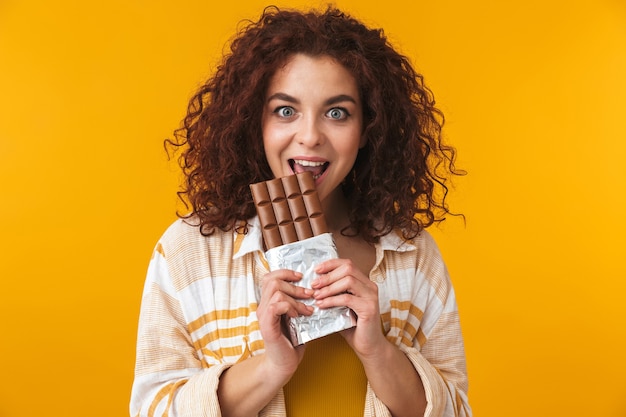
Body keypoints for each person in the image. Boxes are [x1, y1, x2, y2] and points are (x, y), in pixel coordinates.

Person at [130, 5, 471, 417]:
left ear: (367, 130)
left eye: (337, 112)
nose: (309, 137)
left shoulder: (413, 256)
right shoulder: (188, 252)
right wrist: (273, 366)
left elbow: (457, 410)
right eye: (285, 111)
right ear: (255, 122)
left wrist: (377, 350)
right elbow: (151, 409)